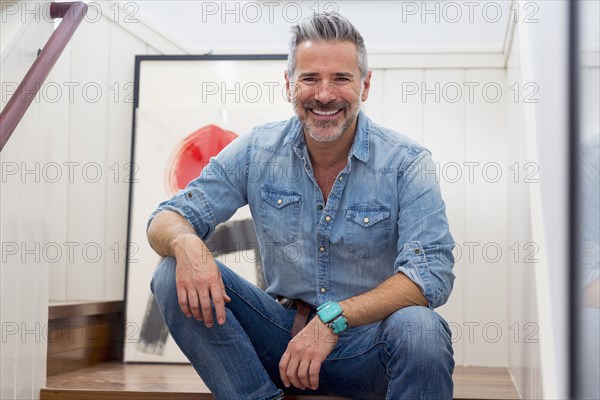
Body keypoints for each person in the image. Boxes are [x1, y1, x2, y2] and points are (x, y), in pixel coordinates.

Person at [147, 12, 455, 400]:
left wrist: (331, 321)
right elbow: (166, 218)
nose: (324, 95)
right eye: (310, 78)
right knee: (169, 272)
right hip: (279, 341)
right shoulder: (257, 150)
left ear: (365, 85)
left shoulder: (407, 162)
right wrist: (187, 244)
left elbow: (431, 277)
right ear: (289, 84)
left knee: (422, 328)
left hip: (370, 350)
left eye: (341, 78)